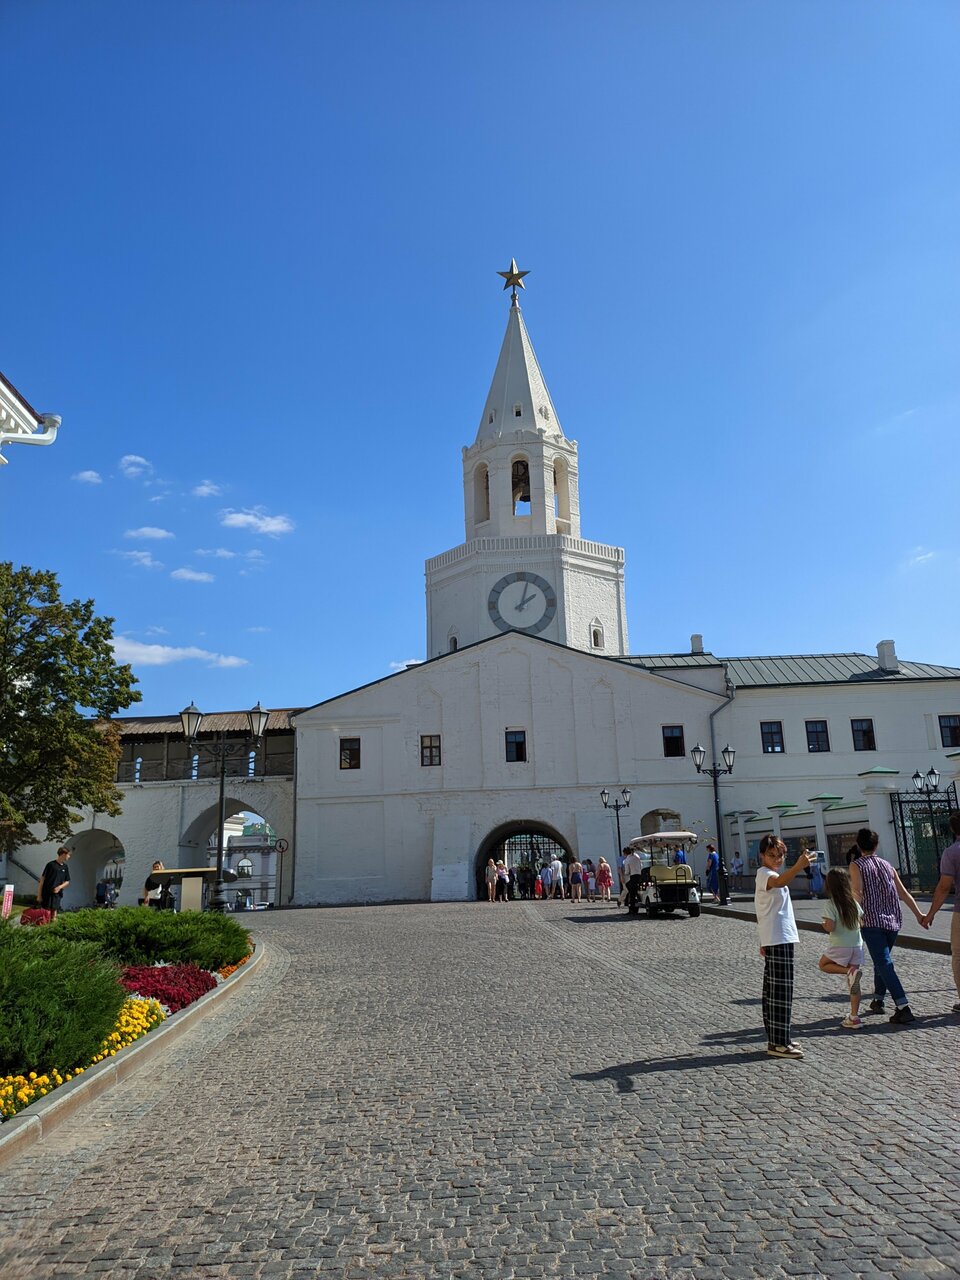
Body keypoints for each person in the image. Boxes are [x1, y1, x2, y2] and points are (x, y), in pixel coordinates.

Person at [849, 828, 924, 1025]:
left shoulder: (856, 865)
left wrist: (853, 917)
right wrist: (919, 915)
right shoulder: (887, 865)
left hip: (871, 922)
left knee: (883, 963)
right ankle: (878, 1000)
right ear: (876, 845)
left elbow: (857, 892)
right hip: (893, 922)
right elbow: (903, 893)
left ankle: (903, 1007)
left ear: (858, 845)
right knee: (881, 960)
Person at [754, 834, 815, 1059]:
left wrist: (763, 940)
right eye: (772, 855)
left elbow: (763, 908)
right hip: (778, 937)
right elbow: (779, 882)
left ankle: (779, 1037)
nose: (777, 859)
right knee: (781, 991)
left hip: (777, 937)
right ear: (762, 855)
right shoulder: (765, 874)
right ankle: (779, 1043)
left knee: (774, 990)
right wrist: (798, 867)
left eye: (780, 855)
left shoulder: (769, 874)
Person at [919, 811, 960, 1013]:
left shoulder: (952, 853)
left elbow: (944, 887)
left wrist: (931, 914)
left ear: (953, 829)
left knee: (959, 954)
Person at [817, 868, 865, 1028]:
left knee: (823, 964)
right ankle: (854, 1016)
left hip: (840, 944)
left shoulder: (830, 904)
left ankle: (848, 971)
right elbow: (861, 922)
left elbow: (830, 926)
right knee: (853, 983)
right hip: (857, 945)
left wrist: (824, 924)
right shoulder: (853, 902)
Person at [37, 847, 71, 919]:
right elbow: (42, 880)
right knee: (46, 913)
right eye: (68, 855)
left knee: (54, 912)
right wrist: (39, 895)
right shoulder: (50, 865)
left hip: (57, 894)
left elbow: (67, 881)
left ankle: (53, 925)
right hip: (47, 893)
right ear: (63, 854)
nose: (69, 856)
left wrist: (59, 887)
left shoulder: (65, 867)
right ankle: (45, 924)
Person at [620, 845, 645, 911]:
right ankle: (638, 899)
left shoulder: (627, 859)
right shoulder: (637, 856)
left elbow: (627, 871)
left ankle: (632, 908)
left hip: (633, 876)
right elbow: (641, 865)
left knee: (631, 893)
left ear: (625, 853)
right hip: (640, 875)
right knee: (634, 891)